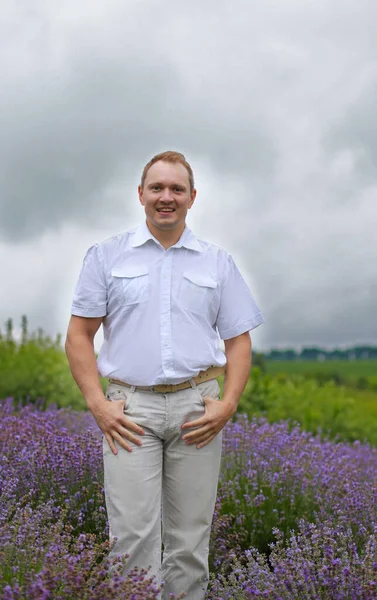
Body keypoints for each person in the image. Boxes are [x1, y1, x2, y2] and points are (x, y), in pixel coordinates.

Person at [65, 150, 264, 599]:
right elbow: (79, 336)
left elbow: (238, 341)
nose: (166, 197)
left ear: (193, 197)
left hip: (199, 408)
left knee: (190, 543)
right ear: (141, 194)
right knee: (132, 539)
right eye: (157, 188)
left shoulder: (217, 262)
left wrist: (227, 404)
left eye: (177, 189)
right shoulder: (107, 256)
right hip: (129, 410)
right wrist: (98, 404)